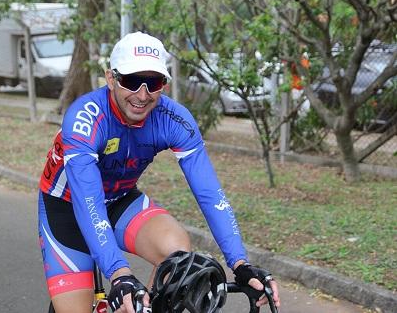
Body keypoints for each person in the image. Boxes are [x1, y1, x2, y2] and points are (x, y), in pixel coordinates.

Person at [38, 31, 281, 313]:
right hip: (66, 207)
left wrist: (240, 263)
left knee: (177, 254)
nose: (143, 95)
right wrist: (119, 273)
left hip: (119, 199)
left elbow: (210, 193)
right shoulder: (86, 117)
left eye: (153, 83)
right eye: (131, 81)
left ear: (163, 84)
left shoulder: (173, 119)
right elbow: (88, 200)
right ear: (110, 78)